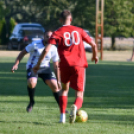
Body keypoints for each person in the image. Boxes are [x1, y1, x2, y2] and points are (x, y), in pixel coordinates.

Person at [33, 10, 98, 123]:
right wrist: (95, 56)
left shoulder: (57, 32)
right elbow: (93, 44)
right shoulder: (79, 30)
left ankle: (62, 117)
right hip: (79, 65)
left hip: (64, 65)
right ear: (71, 19)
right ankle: (75, 107)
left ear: (60, 20)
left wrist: (38, 64)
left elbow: (47, 49)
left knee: (64, 90)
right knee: (79, 94)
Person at [11, 30, 62, 112]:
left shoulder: (54, 48)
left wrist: (58, 80)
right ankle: (31, 102)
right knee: (31, 82)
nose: (49, 38)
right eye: (47, 36)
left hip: (45, 68)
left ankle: (61, 107)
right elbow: (22, 53)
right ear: (43, 37)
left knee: (55, 86)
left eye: (51, 37)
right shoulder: (35, 44)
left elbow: (56, 66)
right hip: (33, 67)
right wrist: (16, 64)